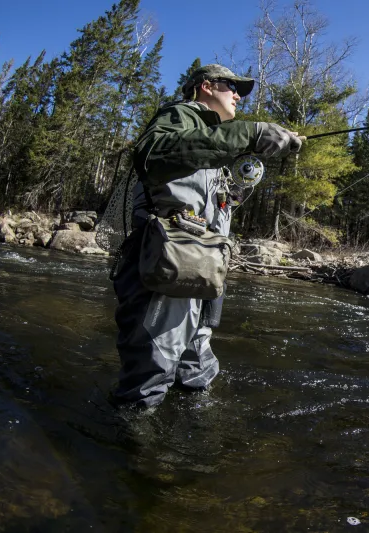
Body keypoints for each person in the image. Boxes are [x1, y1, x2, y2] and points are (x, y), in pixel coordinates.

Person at [111, 64, 303, 408]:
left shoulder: (214, 144)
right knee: (150, 372)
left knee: (196, 369)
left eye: (240, 91)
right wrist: (251, 133)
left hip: (201, 269)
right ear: (205, 87)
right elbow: (153, 153)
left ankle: (191, 438)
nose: (238, 96)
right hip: (165, 265)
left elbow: (213, 202)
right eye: (232, 86)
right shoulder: (179, 115)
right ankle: (132, 443)